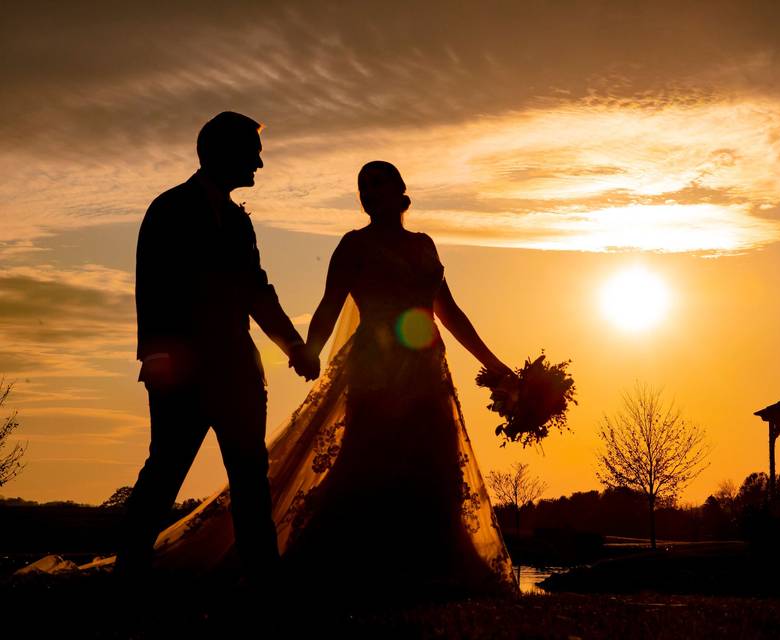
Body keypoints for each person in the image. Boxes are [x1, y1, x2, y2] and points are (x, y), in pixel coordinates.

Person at [135, 160, 517, 598]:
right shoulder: (354, 246)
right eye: (363, 187)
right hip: (376, 371)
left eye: (378, 183)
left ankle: (431, 568)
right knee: (369, 462)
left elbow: (450, 313)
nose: (369, 192)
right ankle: (348, 564)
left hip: (428, 372)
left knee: (432, 465)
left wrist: (495, 364)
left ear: (400, 190)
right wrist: (308, 352)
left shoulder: (425, 245)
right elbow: (329, 304)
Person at [115, 111, 319, 584]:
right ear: (225, 154)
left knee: (250, 477)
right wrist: (157, 357)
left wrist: (293, 346)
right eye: (254, 154)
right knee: (164, 471)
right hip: (180, 373)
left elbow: (257, 291)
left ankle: (263, 579)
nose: (260, 166)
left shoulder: (237, 222)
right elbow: (152, 287)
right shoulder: (168, 209)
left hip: (238, 373)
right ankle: (129, 574)